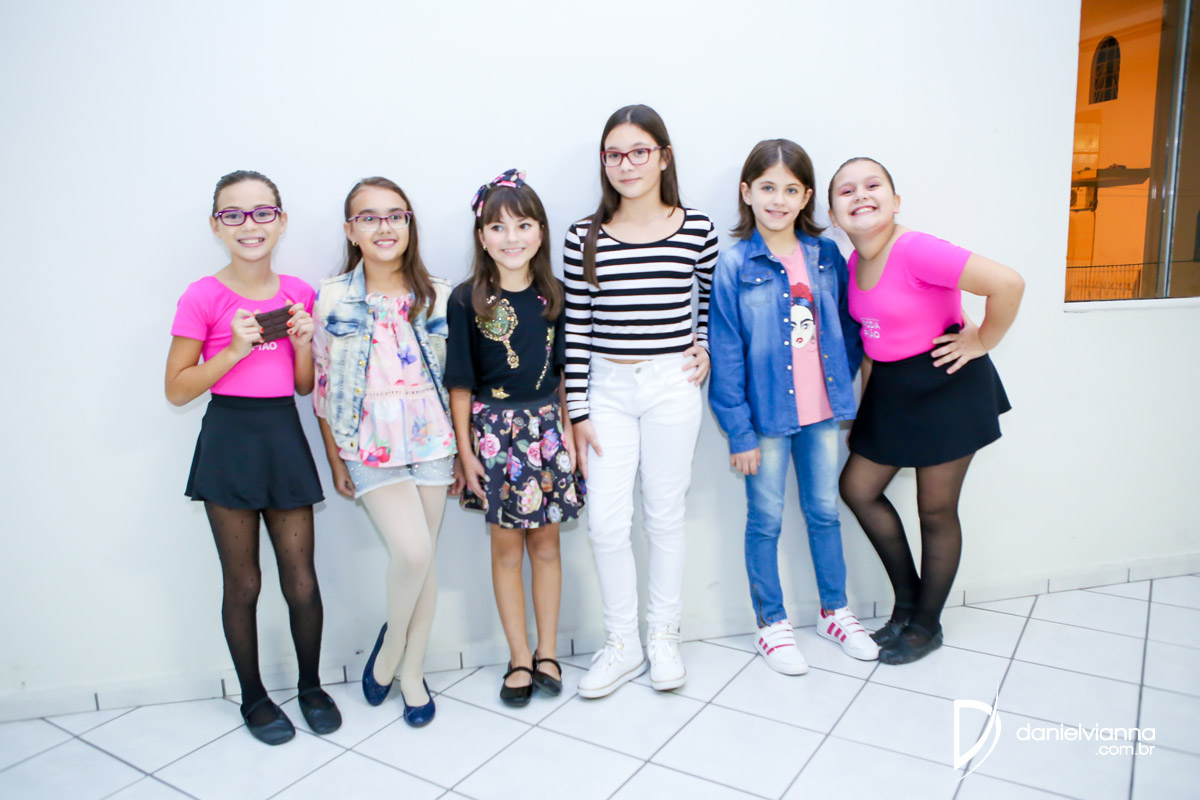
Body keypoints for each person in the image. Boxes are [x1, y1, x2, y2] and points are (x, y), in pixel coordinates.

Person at [165, 170, 341, 745]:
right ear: (216, 225)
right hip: (228, 441)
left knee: (302, 581)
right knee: (242, 583)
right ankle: (254, 697)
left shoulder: (299, 292)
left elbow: (301, 385)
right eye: (233, 214)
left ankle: (311, 687)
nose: (249, 225)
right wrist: (234, 351)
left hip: (282, 436)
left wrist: (301, 344)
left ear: (281, 221)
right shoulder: (203, 295)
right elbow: (177, 389)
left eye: (263, 212)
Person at [827, 157, 1024, 665]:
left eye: (872, 185)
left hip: (946, 386)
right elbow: (873, 346)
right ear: (833, 214)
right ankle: (908, 603)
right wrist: (863, 415)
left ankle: (926, 625)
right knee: (857, 489)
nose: (860, 195)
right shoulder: (852, 264)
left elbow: (1008, 283)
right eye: (846, 191)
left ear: (896, 201)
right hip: (892, 390)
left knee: (934, 511)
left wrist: (981, 341)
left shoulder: (916, 248)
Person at [564, 105, 718, 697]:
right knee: (606, 523)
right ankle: (622, 643)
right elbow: (577, 328)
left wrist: (703, 345)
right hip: (606, 389)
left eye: (638, 152)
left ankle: (663, 637)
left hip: (671, 386)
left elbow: (710, 301)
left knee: (664, 515)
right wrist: (578, 410)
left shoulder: (696, 228)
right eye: (614, 154)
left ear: (663, 157)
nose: (625, 164)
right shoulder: (584, 235)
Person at [709, 140, 879, 675]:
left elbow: (848, 328)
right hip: (765, 422)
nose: (778, 200)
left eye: (790, 189)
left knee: (824, 511)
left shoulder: (826, 256)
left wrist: (839, 386)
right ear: (747, 192)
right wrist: (739, 432)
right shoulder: (734, 264)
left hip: (821, 415)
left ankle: (835, 611)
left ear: (806, 196)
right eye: (767, 188)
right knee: (764, 520)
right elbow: (726, 350)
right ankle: (772, 623)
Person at [311, 177, 461, 726]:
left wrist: (465, 450)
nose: (384, 227)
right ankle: (392, 649)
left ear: (409, 224)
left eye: (395, 215)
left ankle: (411, 671)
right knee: (412, 554)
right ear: (351, 231)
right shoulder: (332, 296)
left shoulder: (438, 293)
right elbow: (323, 386)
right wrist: (335, 458)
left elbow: (457, 379)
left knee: (426, 558)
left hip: (433, 435)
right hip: (368, 439)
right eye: (368, 218)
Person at [445, 170, 584, 707]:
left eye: (523, 225)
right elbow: (460, 383)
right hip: (493, 436)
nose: (512, 237)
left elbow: (565, 372)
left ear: (541, 232)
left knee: (546, 546)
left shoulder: (555, 296)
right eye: (498, 227)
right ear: (482, 237)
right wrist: (465, 453)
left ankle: (548, 652)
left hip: (546, 432)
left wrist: (567, 431)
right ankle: (519, 656)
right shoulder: (466, 300)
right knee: (506, 550)